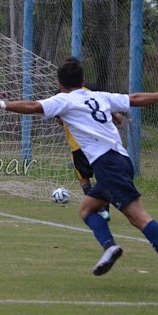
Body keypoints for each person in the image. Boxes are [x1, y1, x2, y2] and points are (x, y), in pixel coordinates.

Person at [0, 57, 158, 295]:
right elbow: (134, 99)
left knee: (139, 218)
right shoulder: (100, 96)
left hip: (107, 165)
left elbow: (33, 107)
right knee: (86, 209)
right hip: (121, 161)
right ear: (83, 81)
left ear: (60, 85)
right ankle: (110, 247)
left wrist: (0, 104)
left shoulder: (64, 100)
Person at [56, 82, 119, 222]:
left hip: (77, 145)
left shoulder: (60, 95)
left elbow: (60, 121)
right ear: (82, 79)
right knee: (101, 178)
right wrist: (115, 115)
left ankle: (100, 210)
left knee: (84, 180)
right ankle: (105, 210)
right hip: (97, 143)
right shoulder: (92, 90)